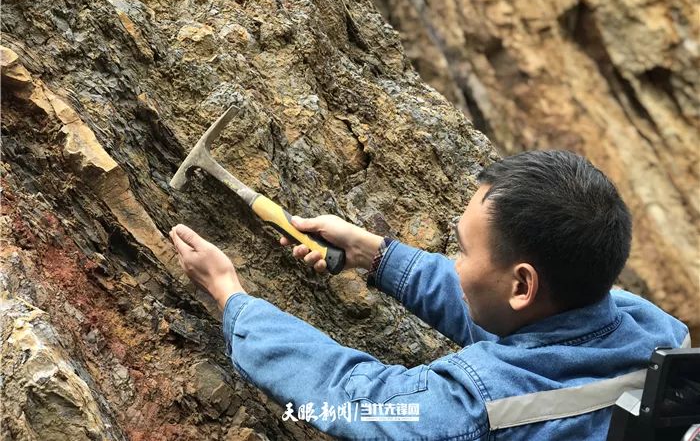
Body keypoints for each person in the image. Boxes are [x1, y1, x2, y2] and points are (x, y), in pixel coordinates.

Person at [169, 150, 690, 440]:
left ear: (523, 283)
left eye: (462, 251)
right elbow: (516, 320)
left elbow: (353, 398)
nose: (455, 263)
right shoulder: (649, 326)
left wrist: (231, 296)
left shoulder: (478, 409)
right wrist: (375, 255)